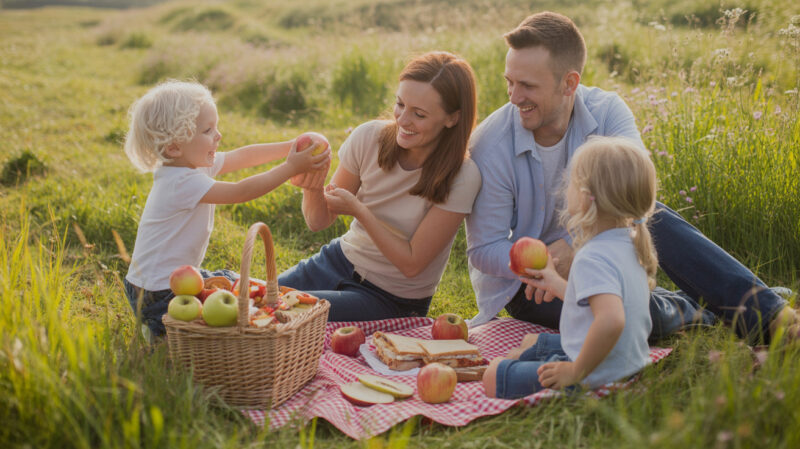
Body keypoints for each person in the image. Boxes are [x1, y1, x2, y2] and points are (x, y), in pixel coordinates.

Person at [465, 11, 798, 343]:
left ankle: (772, 318)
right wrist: (544, 265)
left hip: (607, 248)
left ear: (569, 83)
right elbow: (484, 248)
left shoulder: (607, 111)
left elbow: (637, 198)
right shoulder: (491, 144)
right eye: (510, 81)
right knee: (630, 318)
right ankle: (699, 306)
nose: (514, 97)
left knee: (655, 215)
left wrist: (575, 246)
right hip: (533, 286)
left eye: (527, 85)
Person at [280, 51, 481, 321]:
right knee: (255, 297)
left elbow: (412, 264)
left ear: (452, 118)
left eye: (419, 114)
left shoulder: (462, 176)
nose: (402, 120)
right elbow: (318, 221)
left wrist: (360, 211)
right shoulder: (368, 138)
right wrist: (312, 187)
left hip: (391, 298)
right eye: (400, 104)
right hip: (338, 260)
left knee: (287, 311)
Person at [123, 80, 330, 339]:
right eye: (208, 130)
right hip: (158, 291)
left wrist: (289, 147)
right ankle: (159, 330)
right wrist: (290, 166)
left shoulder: (192, 163)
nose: (218, 135)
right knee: (225, 317)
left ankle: (160, 327)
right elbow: (241, 192)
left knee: (232, 282)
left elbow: (242, 157)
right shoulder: (179, 181)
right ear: (174, 147)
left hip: (164, 282)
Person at [483, 136, 657, 398]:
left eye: (570, 183)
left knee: (493, 375)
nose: (565, 191)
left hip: (595, 376)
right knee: (531, 346)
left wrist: (574, 371)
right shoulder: (629, 243)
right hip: (627, 365)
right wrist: (554, 281)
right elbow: (596, 302)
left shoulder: (592, 256)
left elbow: (611, 320)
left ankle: (567, 369)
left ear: (587, 197)